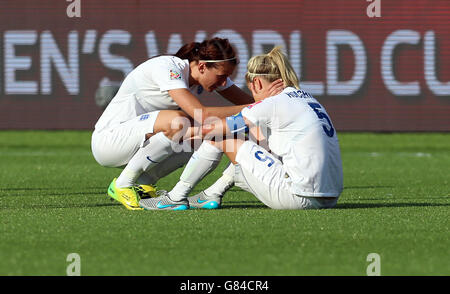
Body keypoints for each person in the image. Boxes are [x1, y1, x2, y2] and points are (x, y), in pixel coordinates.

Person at [140, 46, 343, 210]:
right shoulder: (307, 98)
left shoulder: (272, 104)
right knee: (254, 140)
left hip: (297, 197)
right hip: (330, 197)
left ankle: (175, 198)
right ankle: (212, 194)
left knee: (221, 138)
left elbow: (217, 130)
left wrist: (181, 131)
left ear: (256, 83)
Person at [91, 37, 284, 210]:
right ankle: (122, 184)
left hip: (136, 141)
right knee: (181, 121)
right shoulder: (168, 67)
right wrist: (261, 106)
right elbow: (204, 114)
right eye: (222, 77)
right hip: (109, 141)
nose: (224, 82)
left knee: (200, 136)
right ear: (201, 67)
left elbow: (250, 104)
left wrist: (275, 101)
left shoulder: (208, 73)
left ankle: (143, 184)